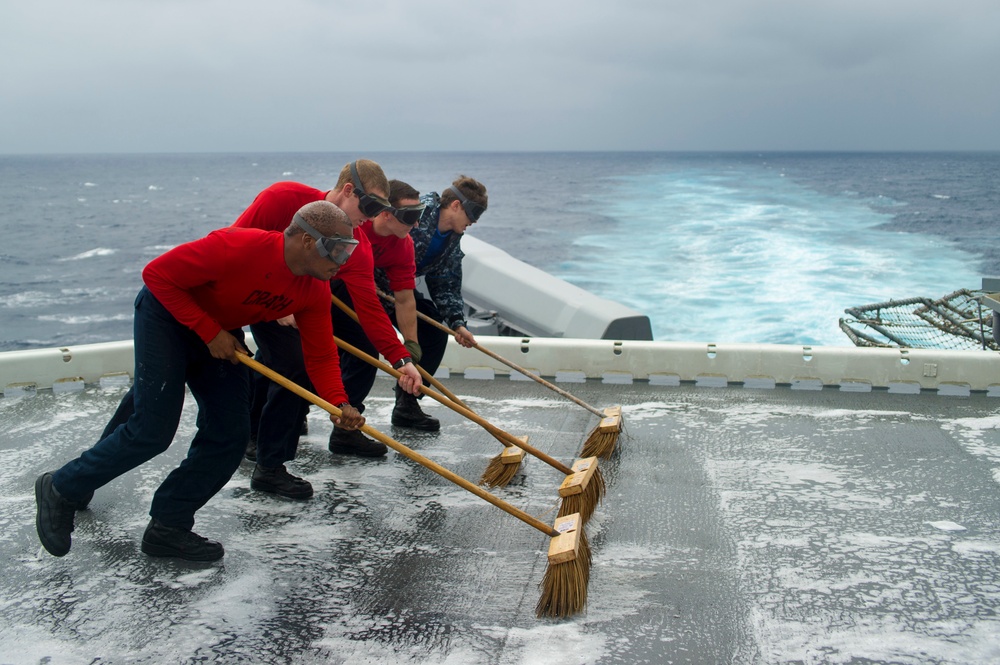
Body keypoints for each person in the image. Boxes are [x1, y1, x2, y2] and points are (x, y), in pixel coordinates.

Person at [34, 201, 366, 561]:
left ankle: (169, 525)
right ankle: (61, 486)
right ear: (305, 240)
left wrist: (338, 403)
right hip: (167, 317)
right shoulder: (236, 247)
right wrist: (210, 332)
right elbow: (157, 275)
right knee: (152, 430)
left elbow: (319, 354)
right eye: (336, 249)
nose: (342, 260)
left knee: (229, 434)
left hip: (220, 333)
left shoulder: (314, 289)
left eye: (348, 250)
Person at [233, 161, 422, 498]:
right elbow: (233, 247)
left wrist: (401, 358)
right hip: (245, 293)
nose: (373, 216)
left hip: (298, 305)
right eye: (372, 206)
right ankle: (251, 433)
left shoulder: (358, 245)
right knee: (288, 363)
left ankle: (270, 466)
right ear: (349, 190)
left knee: (299, 363)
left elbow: (369, 308)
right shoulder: (282, 197)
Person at [332, 179, 438, 430]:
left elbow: (404, 298)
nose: (417, 224)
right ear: (386, 214)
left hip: (366, 295)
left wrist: (409, 349)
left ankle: (349, 426)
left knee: (370, 351)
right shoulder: (356, 227)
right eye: (411, 216)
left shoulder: (403, 244)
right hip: (329, 290)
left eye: (419, 215)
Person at [376, 176, 487, 405]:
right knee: (357, 345)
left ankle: (408, 403)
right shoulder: (417, 212)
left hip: (401, 293)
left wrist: (457, 322)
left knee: (434, 334)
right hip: (369, 288)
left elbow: (446, 281)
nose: (473, 222)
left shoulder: (452, 237)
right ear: (456, 205)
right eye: (472, 215)